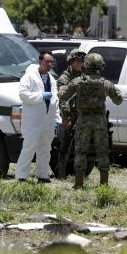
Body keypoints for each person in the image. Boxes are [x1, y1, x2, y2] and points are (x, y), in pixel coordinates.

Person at [59, 53, 122, 189]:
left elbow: (63, 96)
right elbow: (119, 100)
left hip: (83, 120)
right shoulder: (105, 83)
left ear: (86, 65)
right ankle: (104, 184)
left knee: (81, 152)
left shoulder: (78, 82)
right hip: (100, 120)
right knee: (103, 152)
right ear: (101, 66)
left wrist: (64, 87)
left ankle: (79, 183)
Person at [15, 51, 60, 183]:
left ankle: (42, 175)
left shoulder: (52, 80)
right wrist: (40, 96)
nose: (49, 64)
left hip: (48, 121)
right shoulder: (29, 77)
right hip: (33, 120)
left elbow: (55, 101)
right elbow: (23, 95)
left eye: (51, 62)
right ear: (40, 61)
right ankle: (21, 176)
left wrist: (57, 119)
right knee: (29, 147)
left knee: (46, 149)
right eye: (47, 61)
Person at [56, 49, 86, 178]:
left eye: (82, 61)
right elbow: (63, 100)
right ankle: (61, 173)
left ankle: (80, 172)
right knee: (66, 145)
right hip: (70, 115)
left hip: (83, 115)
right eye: (78, 61)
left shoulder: (84, 76)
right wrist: (67, 118)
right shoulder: (64, 78)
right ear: (71, 62)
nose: (80, 64)